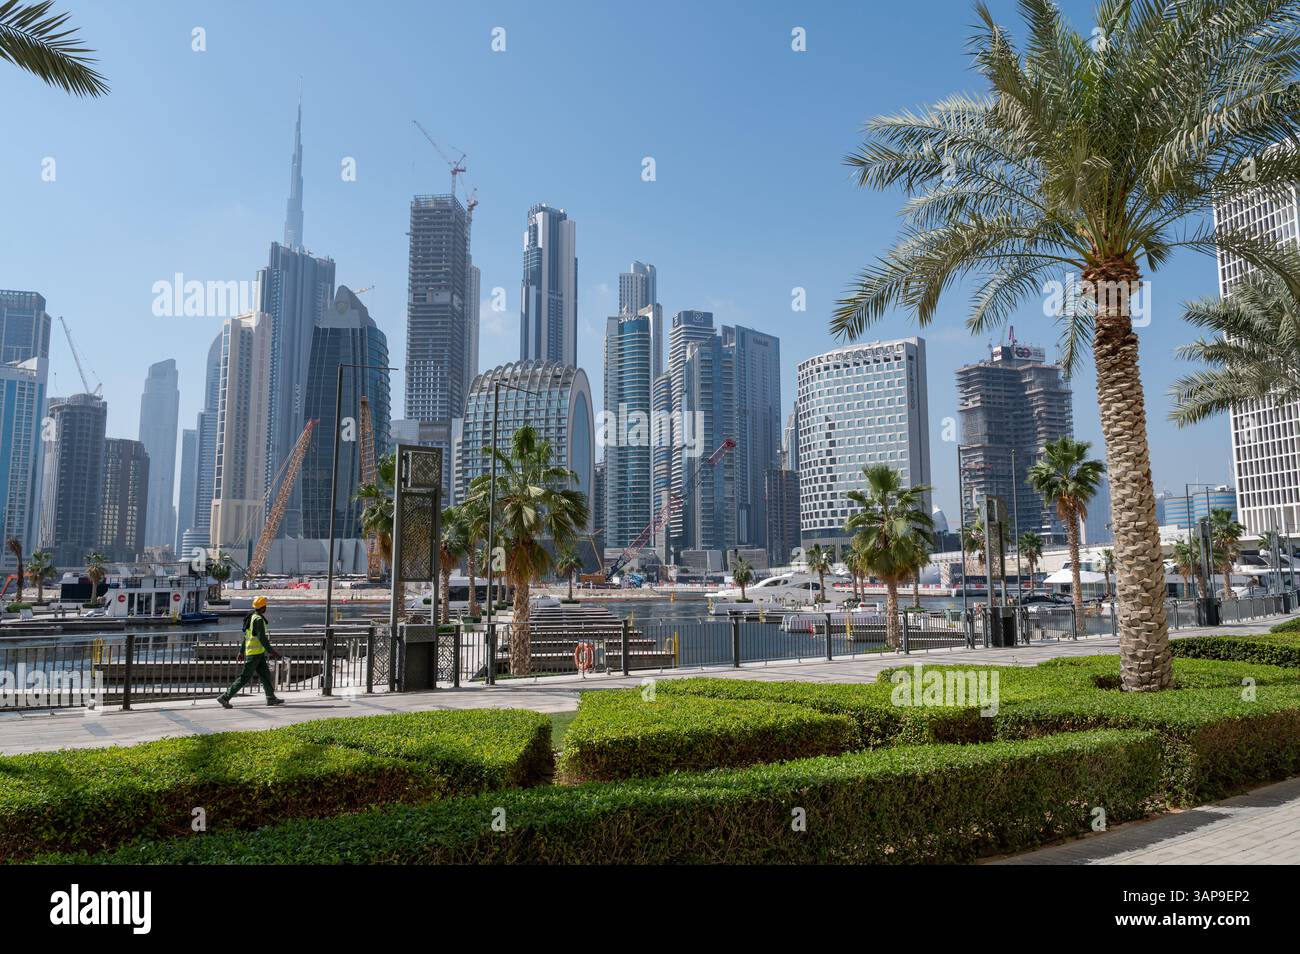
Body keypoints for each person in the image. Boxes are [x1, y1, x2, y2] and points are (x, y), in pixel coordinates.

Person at [217, 596, 285, 707]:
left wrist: (241, 651)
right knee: (244, 677)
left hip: (258, 654)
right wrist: (272, 651)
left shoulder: (252, 617)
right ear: (263, 607)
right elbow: (262, 638)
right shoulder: (257, 620)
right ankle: (225, 697)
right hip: (254, 655)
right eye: (265, 606)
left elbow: (246, 637)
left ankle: (270, 698)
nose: (266, 608)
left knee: (265, 675)